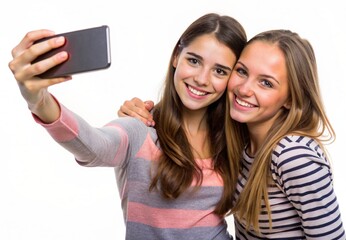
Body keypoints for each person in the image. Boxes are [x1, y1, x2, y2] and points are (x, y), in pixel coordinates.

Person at [8, 13, 247, 239]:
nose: (202, 79)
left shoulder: (235, 136)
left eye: (219, 71)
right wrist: (38, 101)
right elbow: (92, 145)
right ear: (176, 56)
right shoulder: (140, 129)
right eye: (194, 61)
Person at [118, 30, 346, 239]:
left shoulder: (292, 155)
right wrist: (142, 113)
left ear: (290, 99)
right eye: (242, 71)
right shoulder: (238, 141)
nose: (244, 89)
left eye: (266, 83)